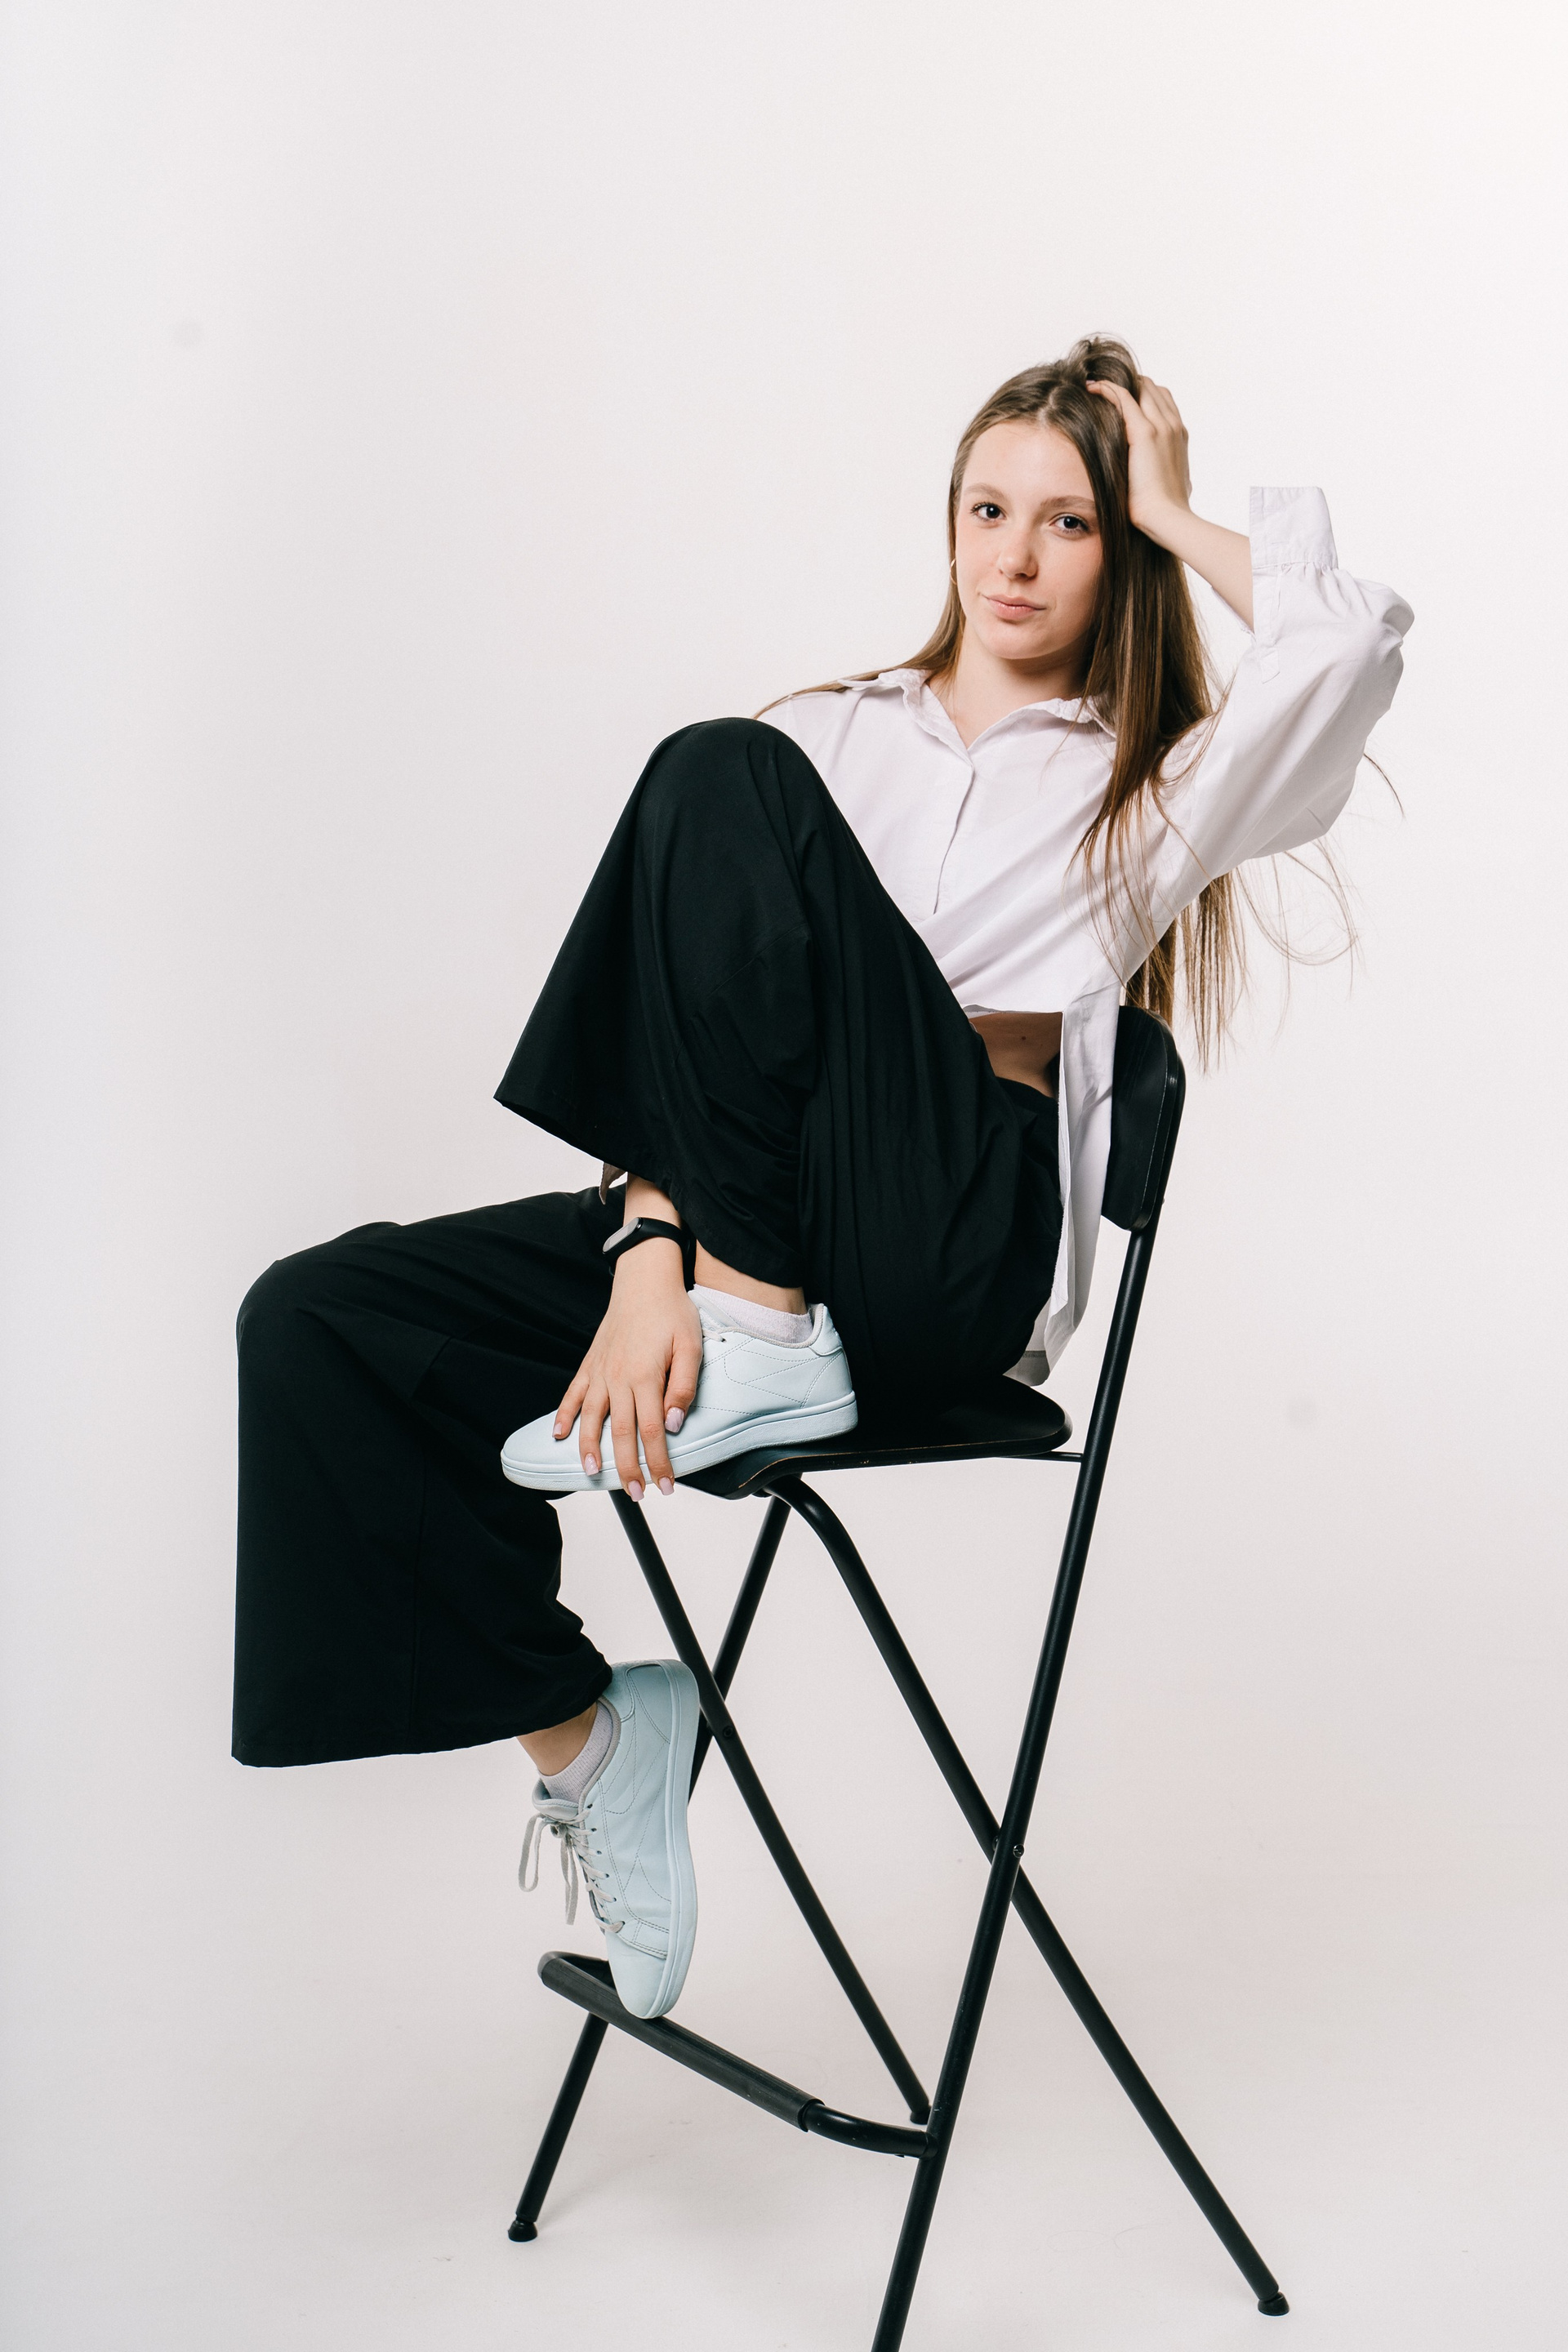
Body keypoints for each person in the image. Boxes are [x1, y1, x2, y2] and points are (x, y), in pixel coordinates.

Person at [233, 337, 1411, 2023]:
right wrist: (649, 1253)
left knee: (715, 770)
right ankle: (593, 1736)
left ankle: (761, 1330)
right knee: (320, 1322)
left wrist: (1170, 503)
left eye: (1070, 523)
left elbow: (1347, 644)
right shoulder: (824, 737)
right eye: (988, 510)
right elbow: (690, 1039)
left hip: (937, 1265)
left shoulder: (1152, 787)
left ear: (1119, 554)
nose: (1015, 557)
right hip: (736, 1235)